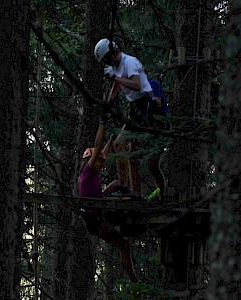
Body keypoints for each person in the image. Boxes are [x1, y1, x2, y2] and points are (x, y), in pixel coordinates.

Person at [94, 38, 165, 199]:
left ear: (112, 53)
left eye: (106, 59)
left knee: (121, 144)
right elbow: (118, 85)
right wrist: (109, 103)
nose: (107, 63)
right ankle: (134, 192)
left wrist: (115, 78)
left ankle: (125, 186)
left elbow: (137, 84)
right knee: (131, 154)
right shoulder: (117, 67)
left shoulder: (129, 62)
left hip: (145, 107)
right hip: (135, 108)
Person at [78, 122, 138, 282]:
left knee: (118, 183)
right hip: (94, 220)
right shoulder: (87, 174)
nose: (102, 164)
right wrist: (103, 123)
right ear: (92, 161)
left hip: (99, 206)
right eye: (99, 161)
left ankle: (134, 198)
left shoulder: (93, 172)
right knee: (123, 245)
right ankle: (133, 279)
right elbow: (98, 147)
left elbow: (103, 151)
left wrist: (117, 134)